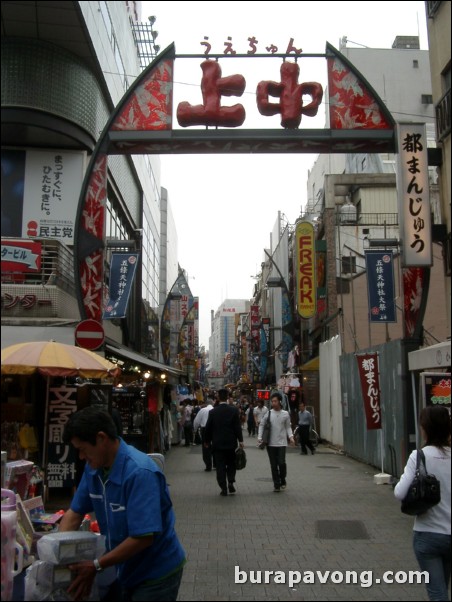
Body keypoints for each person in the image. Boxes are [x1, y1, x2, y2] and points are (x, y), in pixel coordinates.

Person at [58, 407, 186, 602]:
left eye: (82, 450)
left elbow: (142, 537)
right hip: (123, 568)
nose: (82, 457)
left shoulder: (139, 472)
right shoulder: (94, 469)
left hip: (156, 575)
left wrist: (96, 565)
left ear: (101, 439)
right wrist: (59, 557)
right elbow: (74, 513)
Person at [394, 406, 451, 602]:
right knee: (442, 586)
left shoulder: (420, 456)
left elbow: (399, 492)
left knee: (437, 593)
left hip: (428, 533)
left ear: (425, 428)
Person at [204, 388, 244, 496]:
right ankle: (231, 481)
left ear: (218, 397)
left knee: (220, 466)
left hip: (217, 444)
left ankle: (223, 488)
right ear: (227, 397)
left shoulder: (213, 412)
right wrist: (241, 440)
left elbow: (208, 428)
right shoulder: (233, 410)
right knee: (231, 464)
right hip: (231, 443)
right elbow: (237, 427)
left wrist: (206, 440)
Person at [258, 392, 294, 492]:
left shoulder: (285, 414)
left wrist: (291, 437)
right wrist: (260, 437)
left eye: (275, 401)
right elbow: (262, 424)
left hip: (282, 443)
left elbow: (288, 427)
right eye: (272, 401)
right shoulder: (268, 413)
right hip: (270, 444)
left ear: (280, 402)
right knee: (273, 465)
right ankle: (276, 484)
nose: (273, 403)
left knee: (281, 463)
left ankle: (282, 478)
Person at [193, 393, 215, 471]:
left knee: (206, 447)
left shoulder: (202, 410)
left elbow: (196, 421)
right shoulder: (215, 409)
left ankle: (208, 465)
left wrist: (195, 430)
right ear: (213, 403)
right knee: (215, 447)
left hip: (204, 430)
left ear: (206, 404)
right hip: (214, 430)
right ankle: (215, 464)